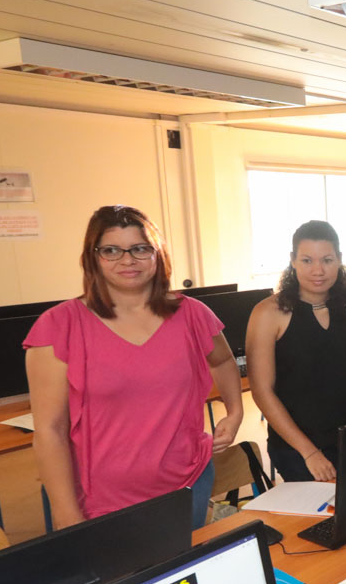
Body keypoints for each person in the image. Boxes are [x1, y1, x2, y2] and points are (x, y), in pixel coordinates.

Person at [25, 205, 243, 531]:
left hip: (187, 482)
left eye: (140, 248)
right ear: (92, 257)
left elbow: (223, 360)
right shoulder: (59, 325)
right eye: (111, 250)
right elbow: (49, 431)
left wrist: (235, 411)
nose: (127, 260)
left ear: (158, 255)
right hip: (99, 498)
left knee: (184, 563)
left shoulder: (192, 314)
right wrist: (66, 514)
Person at [246, 221, 346, 482]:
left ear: (339, 260)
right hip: (299, 447)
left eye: (327, 260)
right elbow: (262, 391)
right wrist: (309, 453)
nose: (318, 270)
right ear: (293, 261)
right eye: (307, 260)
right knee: (325, 508)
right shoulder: (267, 313)